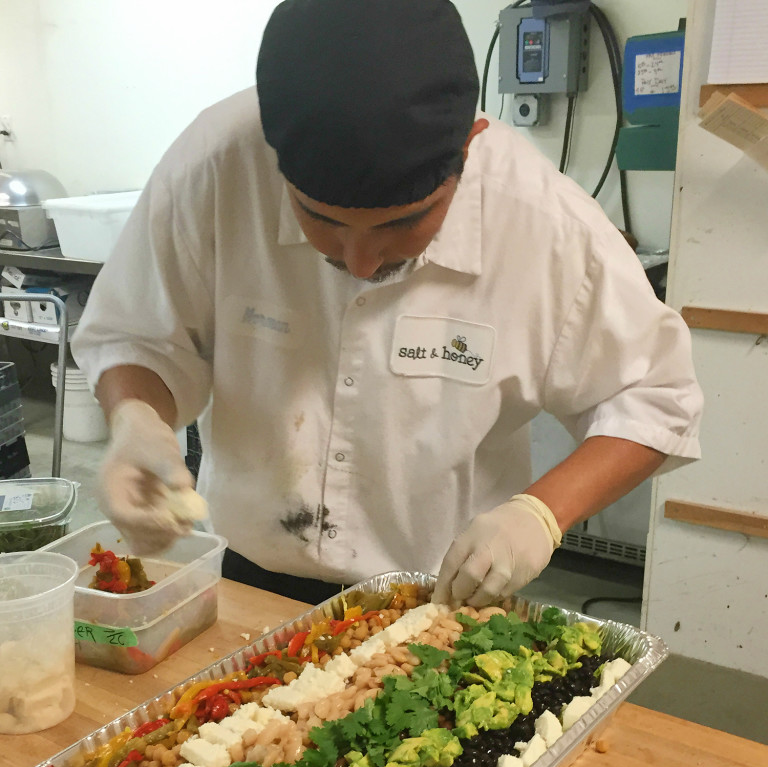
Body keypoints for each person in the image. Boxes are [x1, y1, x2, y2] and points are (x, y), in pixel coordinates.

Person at [72, 0, 702, 609]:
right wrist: (137, 419)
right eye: (320, 220)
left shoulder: (545, 225)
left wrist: (540, 513)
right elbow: (139, 334)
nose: (359, 262)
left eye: (400, 225)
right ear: (273, 158)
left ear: (468, 148)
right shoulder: (216, 166)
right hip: (246, 576)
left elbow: (656, 397)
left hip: (443, 597)